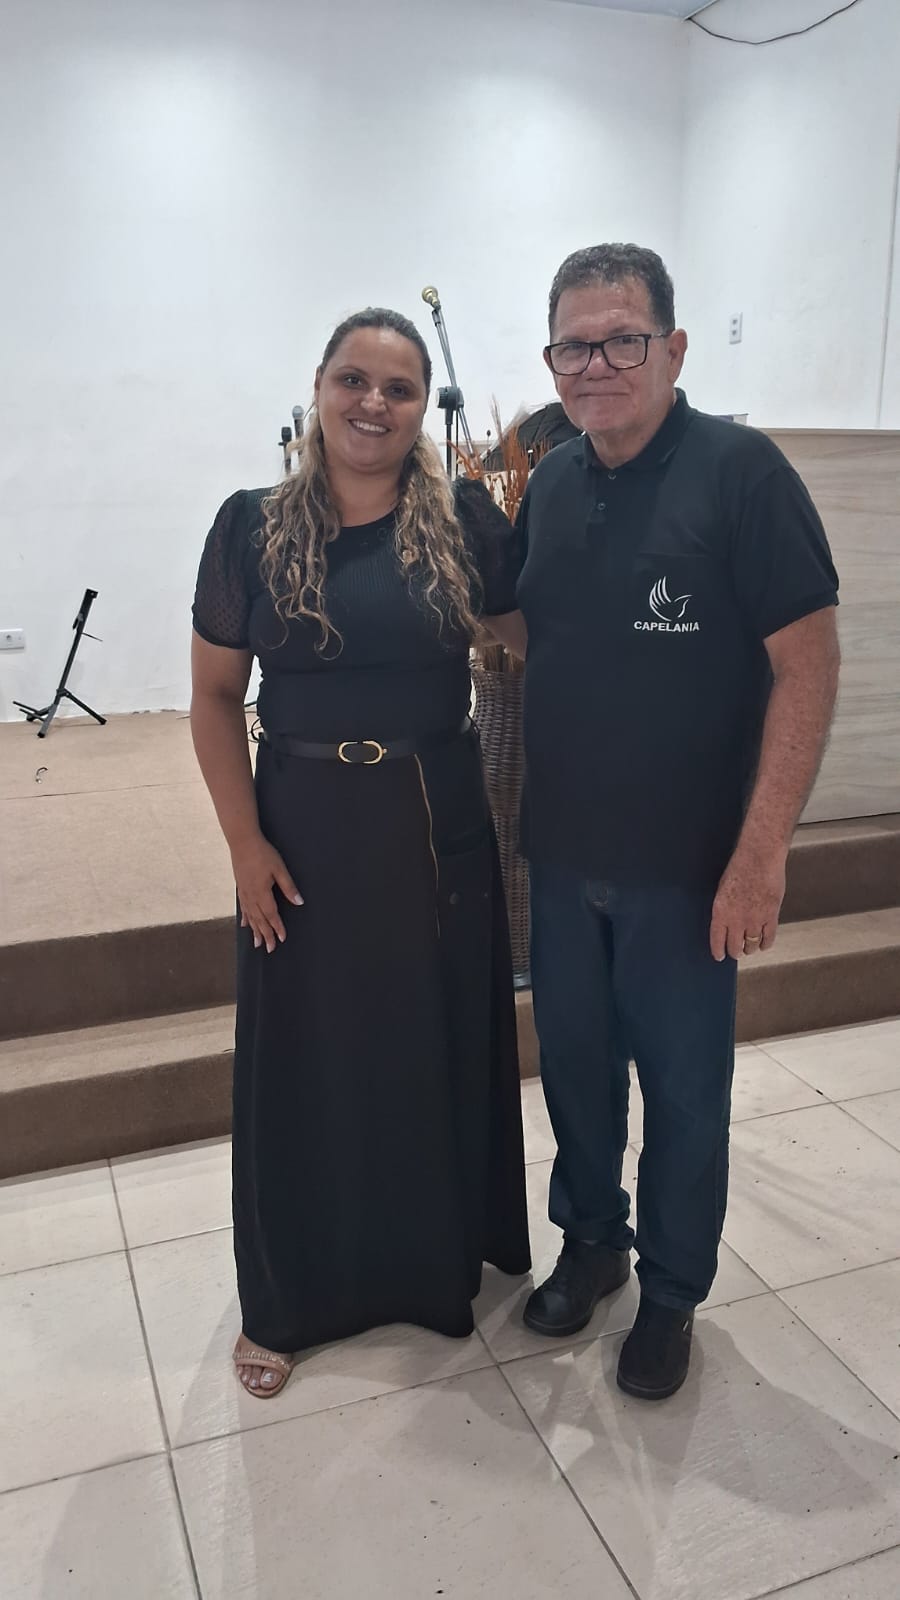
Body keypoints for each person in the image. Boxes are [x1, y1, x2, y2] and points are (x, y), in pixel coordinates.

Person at [516, 244, 840, 1400]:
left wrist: (763, 852)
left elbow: (807, 667)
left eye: (623, 339)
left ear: (675, 348)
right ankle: (592, 1242)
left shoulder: (743, 476)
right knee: (576, 1074)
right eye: (574, 345)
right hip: (564, 855)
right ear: (551, 360)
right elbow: (528, 630)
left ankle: (670, 1292)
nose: (596, 364)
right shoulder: (551, 483)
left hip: (690, 868)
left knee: (686, 1095)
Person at [190, 307, 530, 1398]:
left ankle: (430, 1272)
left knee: (426, 1040)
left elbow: (534, 639)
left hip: (436, 819)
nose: (373, 404)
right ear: (321, 386)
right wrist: (244, 844)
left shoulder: (463, 522)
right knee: (304, 1059)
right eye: (354, 379)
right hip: (303, 826)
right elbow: (212, 697)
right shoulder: (250, 527)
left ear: (423, 408)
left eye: (398, 388)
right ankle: (290, 1299)